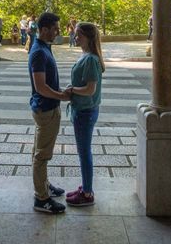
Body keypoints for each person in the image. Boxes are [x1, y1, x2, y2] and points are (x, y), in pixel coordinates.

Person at [28, 12, 72, 214]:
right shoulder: (38, 52)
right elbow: (40, 87)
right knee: (42, 155)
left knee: (40, 152)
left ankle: (44, 186)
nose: (58, 31)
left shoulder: (44, 47)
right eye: (55, 28)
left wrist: (60, 92)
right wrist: (61, 96)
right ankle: (42, 199)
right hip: (46, 108)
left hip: (46, 107)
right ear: (44, 29)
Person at [65, 22, 104, 207]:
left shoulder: (90, 60)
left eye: (79, 35)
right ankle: (86, 187)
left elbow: (89, 89)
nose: (76, 37)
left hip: (85, 111)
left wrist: (72, 90)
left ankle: (87, 193)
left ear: (88, 37)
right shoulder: (88, 56)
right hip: (84, 110)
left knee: (84, 152)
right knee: (83, 151)